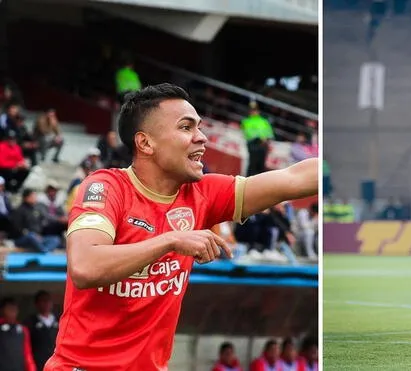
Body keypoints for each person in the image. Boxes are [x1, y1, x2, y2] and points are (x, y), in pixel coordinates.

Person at [44, 83, 317, 371]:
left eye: (199, 127)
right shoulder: (106, 187)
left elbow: (293, 179)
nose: (201, 138)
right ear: (145, 143)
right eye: (186, 127)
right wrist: (170, 241)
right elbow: (86, 267)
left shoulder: (203, 193)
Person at [0, 297, 37, 371]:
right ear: (2, 310)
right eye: (9, 309)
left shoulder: (23, 329)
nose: (13, 312)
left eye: (14, 309)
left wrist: (32, 369)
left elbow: (27, 354)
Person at [25, 291, 59, 371]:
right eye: (43, 300)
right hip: (38, 364)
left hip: (56, 364)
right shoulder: (30, 322)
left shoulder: (59, 320)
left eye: (48, 300)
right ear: (36, 304)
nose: (46, 303)